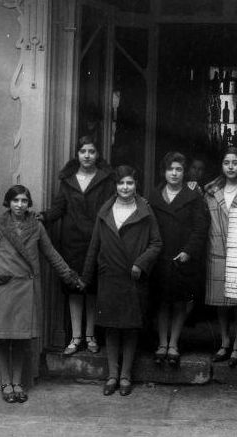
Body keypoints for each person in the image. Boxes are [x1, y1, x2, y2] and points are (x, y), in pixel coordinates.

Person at [0, 185, 84, 404]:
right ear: (8, 203)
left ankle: (17, 382)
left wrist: (70, 275)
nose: (20, 205)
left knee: (20, 339)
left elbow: (51, 253)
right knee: (3, 338)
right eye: (15, 200)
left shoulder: (36, 226)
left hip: (26, 290)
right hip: (3, 290)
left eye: (24, 201)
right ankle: (5, 382)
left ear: (29, 204)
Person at [82, 165, 162, 397]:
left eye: (129, 183)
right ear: (115, 186)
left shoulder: (145, 210)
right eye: (121, 183)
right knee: (112, 327)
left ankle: (126, 375)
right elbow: (95, 244)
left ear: (136, 185)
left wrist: (140, 264)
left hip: (133, 277)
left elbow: (156, 243)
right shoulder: (105, 210)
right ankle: (112, 375)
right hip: (110, 276)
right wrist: (86, 276)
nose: (125, 187)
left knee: (129, 327)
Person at [39, 135, 116, 356]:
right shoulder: (68, 181)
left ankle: (90, 336)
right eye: (83, 152)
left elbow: (112, 208)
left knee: (92, 289)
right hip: (71, 243)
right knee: (73, 289)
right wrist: (43, 217)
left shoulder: (106, 180)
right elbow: (58, 208)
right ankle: (76, 336)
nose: (87, 156)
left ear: (97, 154)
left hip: (96, 241)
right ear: (77, 154)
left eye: (91, 151)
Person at [146, 151, 208, 367]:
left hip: (182, 257)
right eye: (170, 169)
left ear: (184, 172)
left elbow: (200, 228)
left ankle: (173, 344)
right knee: (162, 302)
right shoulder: (154, 196)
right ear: (164, 172)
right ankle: (162, 344)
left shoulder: (194, 197)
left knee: (180, 302)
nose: (174, 173)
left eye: (179, 169)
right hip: (160, 257)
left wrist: (188, 251)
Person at [203, 146, 237, 367]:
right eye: (226, 163)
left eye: (235, 163)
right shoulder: (210, 191)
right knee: (221, 301)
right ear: (221, 165)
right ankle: (224, 341)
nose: (230, 167)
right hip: (217, 250)